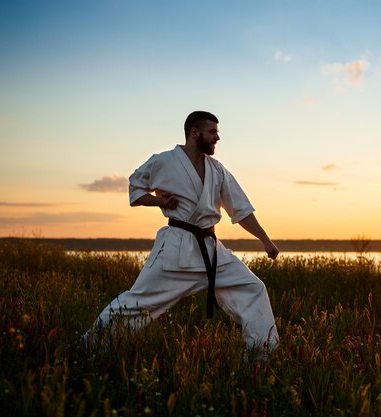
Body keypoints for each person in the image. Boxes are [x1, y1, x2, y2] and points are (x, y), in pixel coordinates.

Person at [81, 111, 279, 354]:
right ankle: (90, 344)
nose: (218, 137)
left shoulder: (217, 170)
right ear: (195, 133)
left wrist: (265, 241)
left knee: (253, 289)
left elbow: (241, 209)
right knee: (137, 302)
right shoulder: (164, 161)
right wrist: (160, 202)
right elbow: (135, 189)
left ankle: (262, 355)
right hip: (176, 250)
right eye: (213, 132)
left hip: (211, 251)